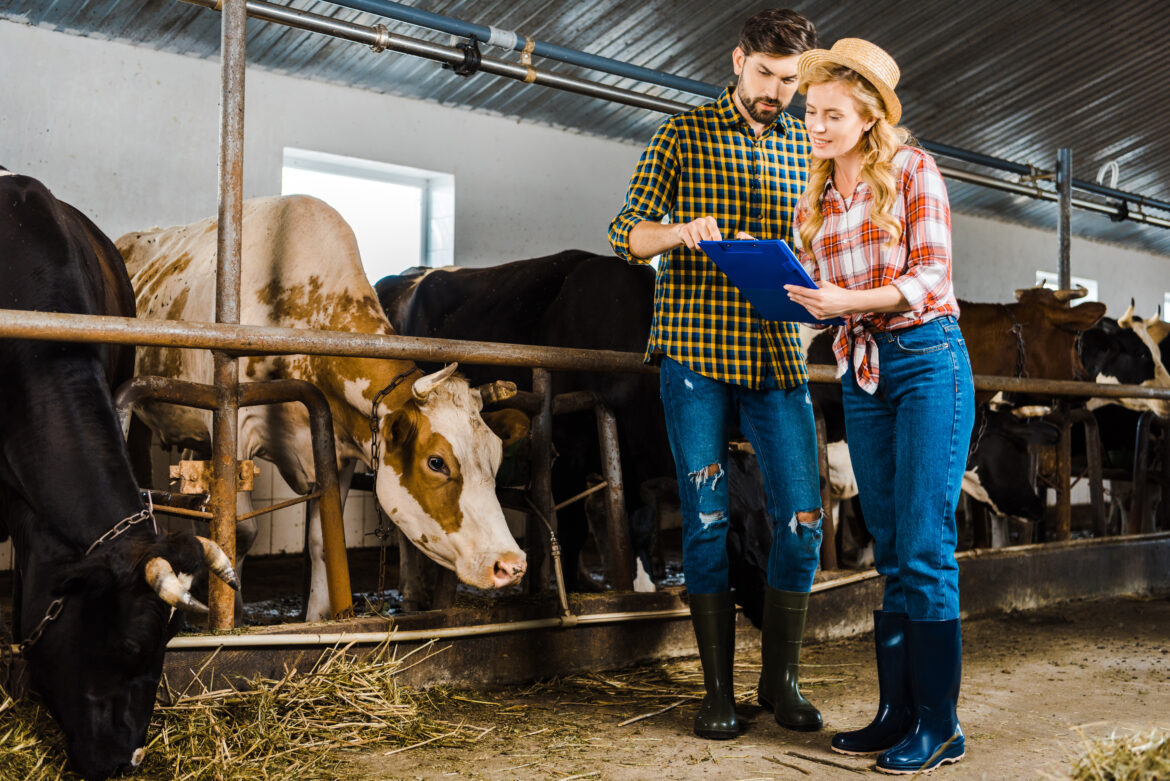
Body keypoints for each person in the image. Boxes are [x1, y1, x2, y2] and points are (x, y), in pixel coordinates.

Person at [608, 8, 824, 741]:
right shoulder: (682, 133)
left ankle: (780, 680)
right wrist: (679, 232)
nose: (776, 90)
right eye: (764, 73)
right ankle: (717, 693)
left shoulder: (810, 143)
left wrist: (814, 255)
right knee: (704, 521)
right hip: (695, 354)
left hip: (776, 356)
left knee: (804, 520)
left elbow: (828, 243)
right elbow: (626, 234)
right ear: (737, 60)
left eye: (789, 79)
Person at [784, 39, 974, 773]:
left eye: (832, 114)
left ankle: (941, 723)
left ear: (868, 116)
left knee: (926, 546)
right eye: (811, 113)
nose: (817, 125)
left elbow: (930, 278)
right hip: (861, 371)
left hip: (927, 361)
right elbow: (823, 298)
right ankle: (897, 713)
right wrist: (788, 293)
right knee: (891, 548)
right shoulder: (818, 192)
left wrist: (844, 302)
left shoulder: (912, 170)